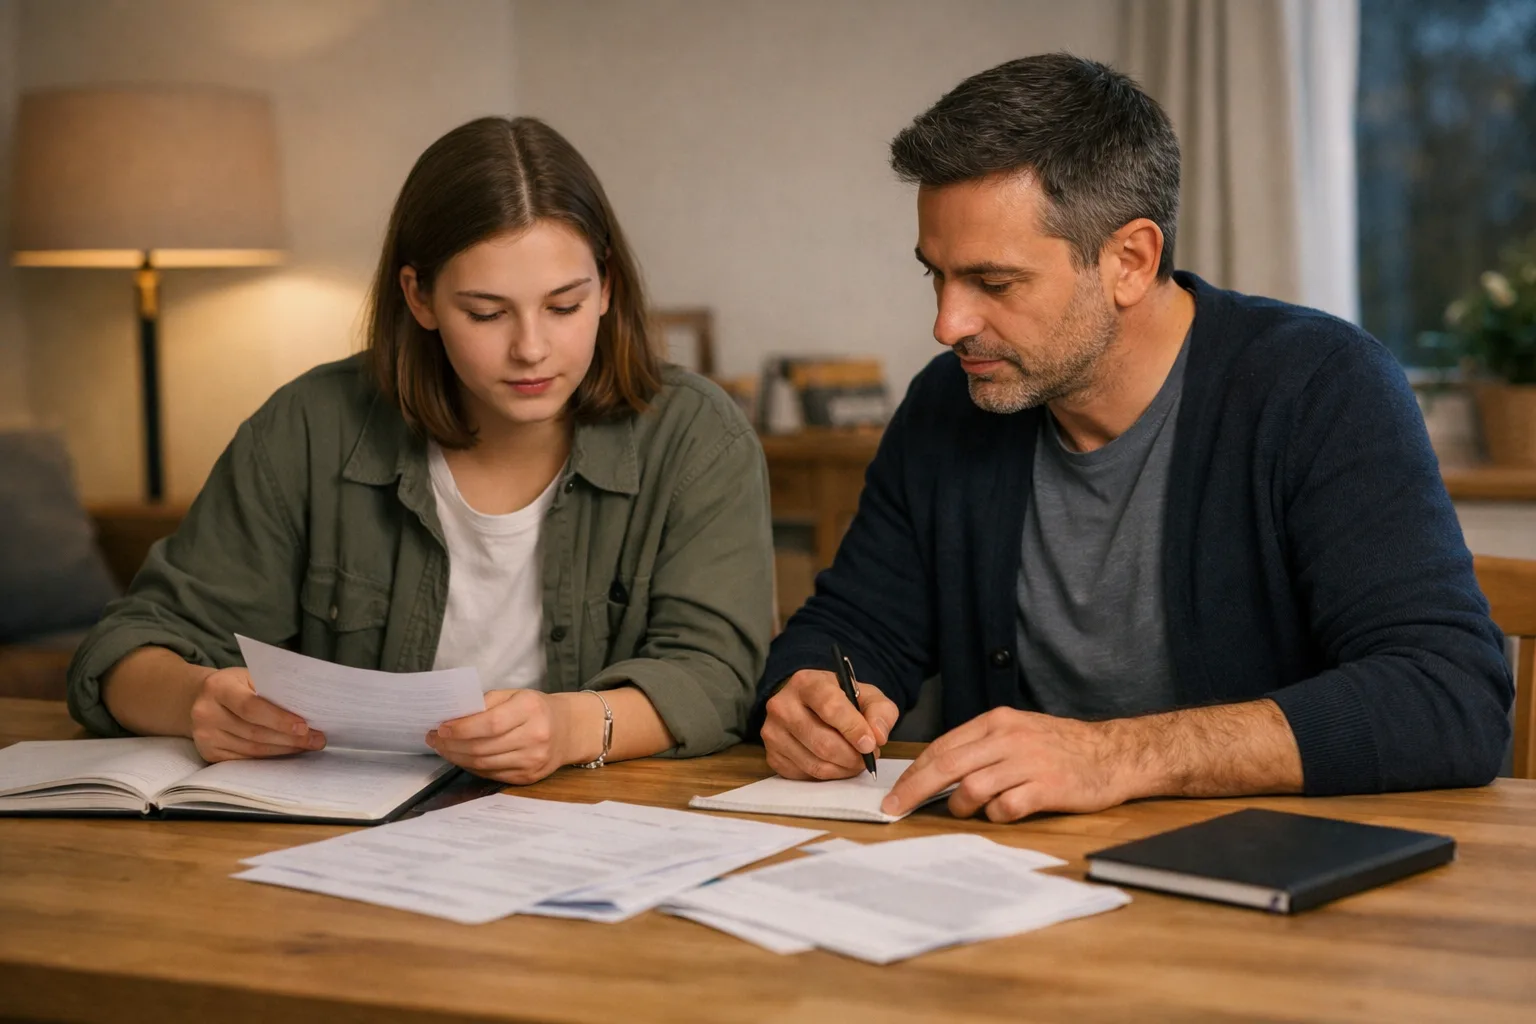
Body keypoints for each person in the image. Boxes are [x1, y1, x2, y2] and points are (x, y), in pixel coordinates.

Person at [754, 53, 1512, 822]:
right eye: (936, 276)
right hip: (1007, 886)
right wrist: (810, 694)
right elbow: (849, 631)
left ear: (1130, 260)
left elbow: (1448, 694)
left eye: (994, 283)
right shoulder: (946, 407)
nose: (948, 324)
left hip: (1264, 884)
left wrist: (1115, 756)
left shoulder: (1321, 387)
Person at [68, 116, 774, 784]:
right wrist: (199, 700)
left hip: (597, 829)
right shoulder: (310, 427)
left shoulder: (696, 437)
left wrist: (572, 726)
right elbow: (128, 648)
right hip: (338, 835)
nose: (531, 347)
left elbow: (717, 675)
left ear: (606, 288)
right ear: (420, 297)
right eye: (487, 312)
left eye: (564, 305)